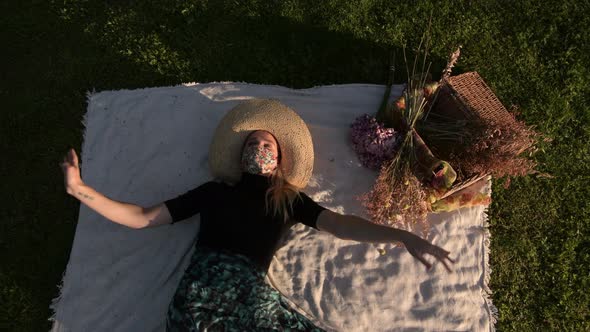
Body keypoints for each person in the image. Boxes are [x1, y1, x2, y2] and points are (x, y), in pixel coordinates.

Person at [60, 99, 455, 331]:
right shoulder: (214, 193)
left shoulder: (288, 200)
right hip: (201, 293)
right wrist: (83, 192)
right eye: (253, 141)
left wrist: (400, 236)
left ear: (279, 160)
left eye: (268, 142)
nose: (260, 144)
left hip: (249, 294)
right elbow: (144, 217)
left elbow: (340, 224)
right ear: (242, 155)